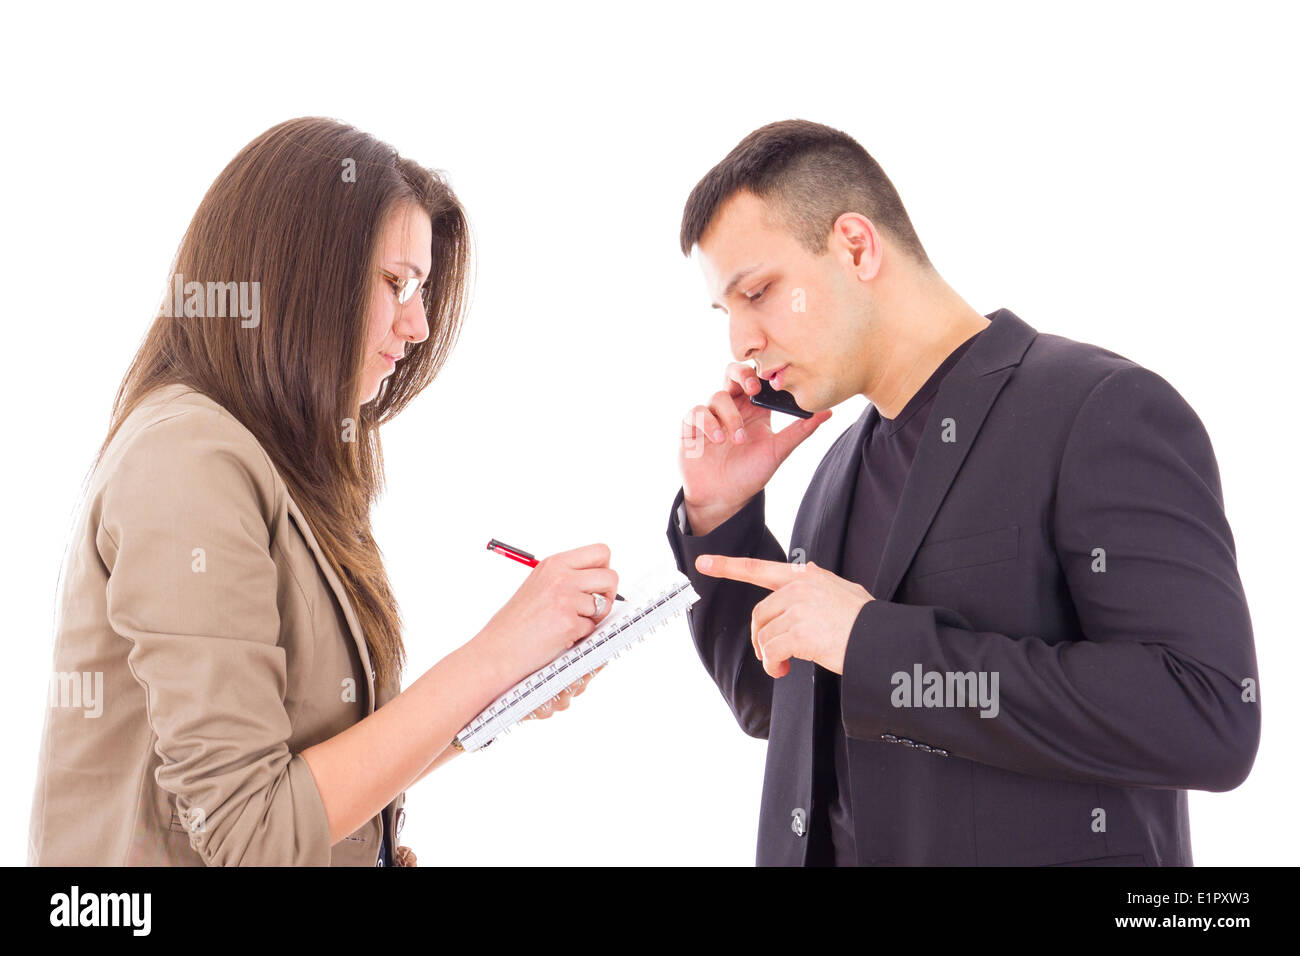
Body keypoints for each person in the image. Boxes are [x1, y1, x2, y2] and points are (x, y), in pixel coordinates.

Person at [666, 119, 1260, 866]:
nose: (740, 343)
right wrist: (721, 514)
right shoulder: (836, 472)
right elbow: (783, 709)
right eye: (727, 312)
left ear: (856, 245)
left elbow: (1204, 717)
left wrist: (873, 644)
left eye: (757, 292)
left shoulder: (1098, 409)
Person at [29, 117, 615, 866]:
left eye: (424, 289)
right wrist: (492, 657)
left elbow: (301, 779)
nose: (419, 324)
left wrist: (500, 691)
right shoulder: (187, 459)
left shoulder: (279, 459)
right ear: (297, 276)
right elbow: (254, 835)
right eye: (396, 283)